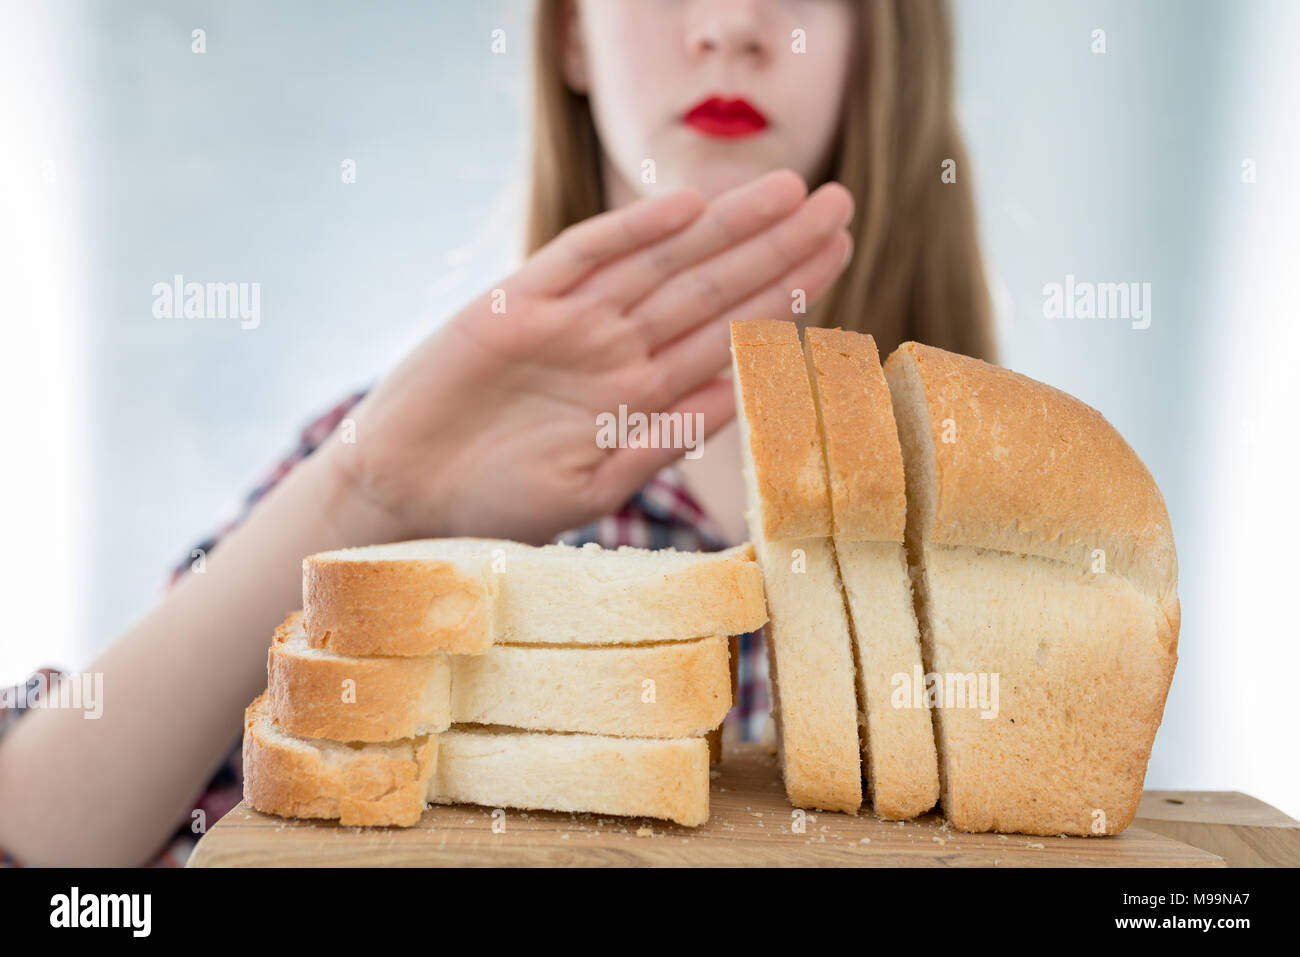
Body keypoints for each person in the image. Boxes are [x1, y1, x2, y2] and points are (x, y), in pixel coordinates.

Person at [0, 0, 995, 866]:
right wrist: (363, 496)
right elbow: (45, 858)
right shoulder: (384, 454)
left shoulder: (1002, 512)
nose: (730, 22)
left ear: (884, 44)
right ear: (571, 35)